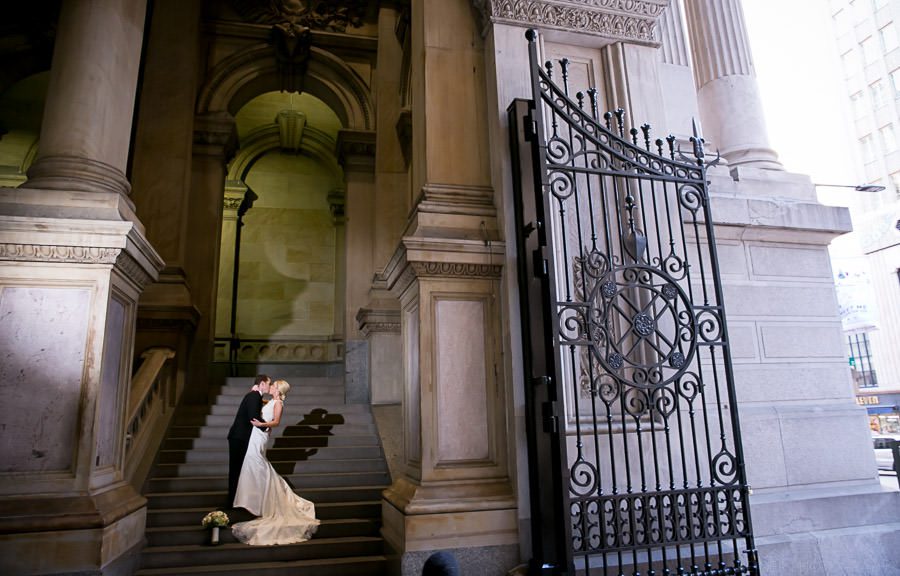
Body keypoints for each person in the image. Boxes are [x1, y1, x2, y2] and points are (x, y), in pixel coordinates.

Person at [231, 379, 320, 545]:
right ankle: (255, 497)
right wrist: (256, 393)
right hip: (256, 433)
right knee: (253, 462)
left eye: (273, 385)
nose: (270, 386)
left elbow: (277, 422)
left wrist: (263, 424)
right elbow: (261, 403)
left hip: (261, 433)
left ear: (278, 389)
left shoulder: (278, 403)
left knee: (257, 461)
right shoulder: (271, 401)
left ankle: (264, 497)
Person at [226, 374, 270, 509]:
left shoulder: (255, 396)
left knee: (238, 469)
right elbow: (253, 418)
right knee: (236, 469)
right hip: (239, 437)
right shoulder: (254, 396)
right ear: (262, 384)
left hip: (240, 436)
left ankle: (235, 499)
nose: (269, 386)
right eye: (268, 383)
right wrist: (267, 426)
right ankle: (231, 501)